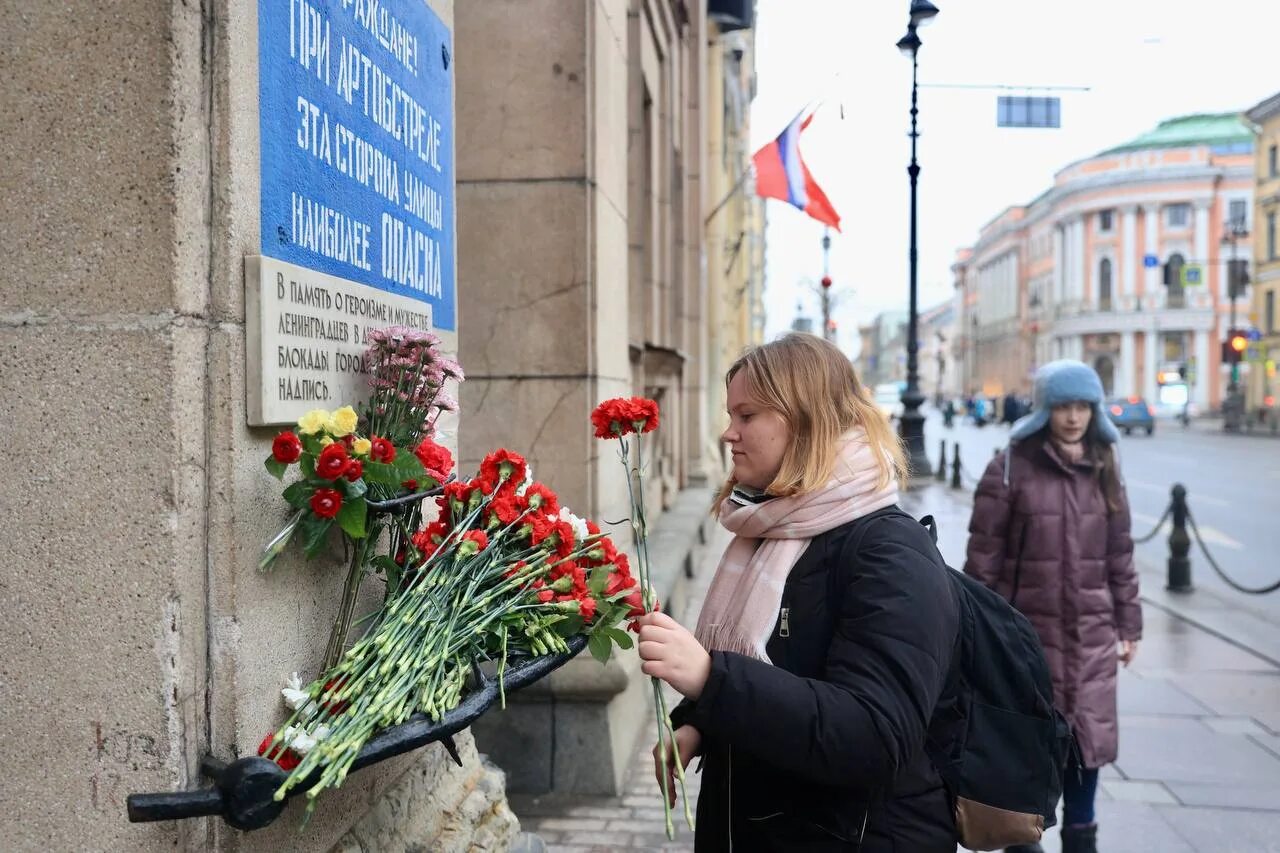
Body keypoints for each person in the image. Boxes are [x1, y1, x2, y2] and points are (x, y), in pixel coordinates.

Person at [633, 333, 960, 852]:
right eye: (730, 415)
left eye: (747, 416)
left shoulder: (891, 553)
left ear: (805, 418)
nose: (727, 434)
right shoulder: (773, 527)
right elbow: (779, 667)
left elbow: (876, 735)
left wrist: (710, 680)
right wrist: (700, 723)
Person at [964, 360, 1142, 853]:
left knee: (1088, 752)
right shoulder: (1010, 467)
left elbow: (1120, 556)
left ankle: (1082, 840)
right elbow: (983, 563)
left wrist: (1130, 625)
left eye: (1082, 406)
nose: (1073, 417)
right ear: (1045, 409)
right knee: (1030, 760)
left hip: (1091, 642)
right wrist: (978, 636)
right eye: (1063, 405)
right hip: (1028, 646)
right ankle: (1025, 842)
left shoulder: (1106, 467)